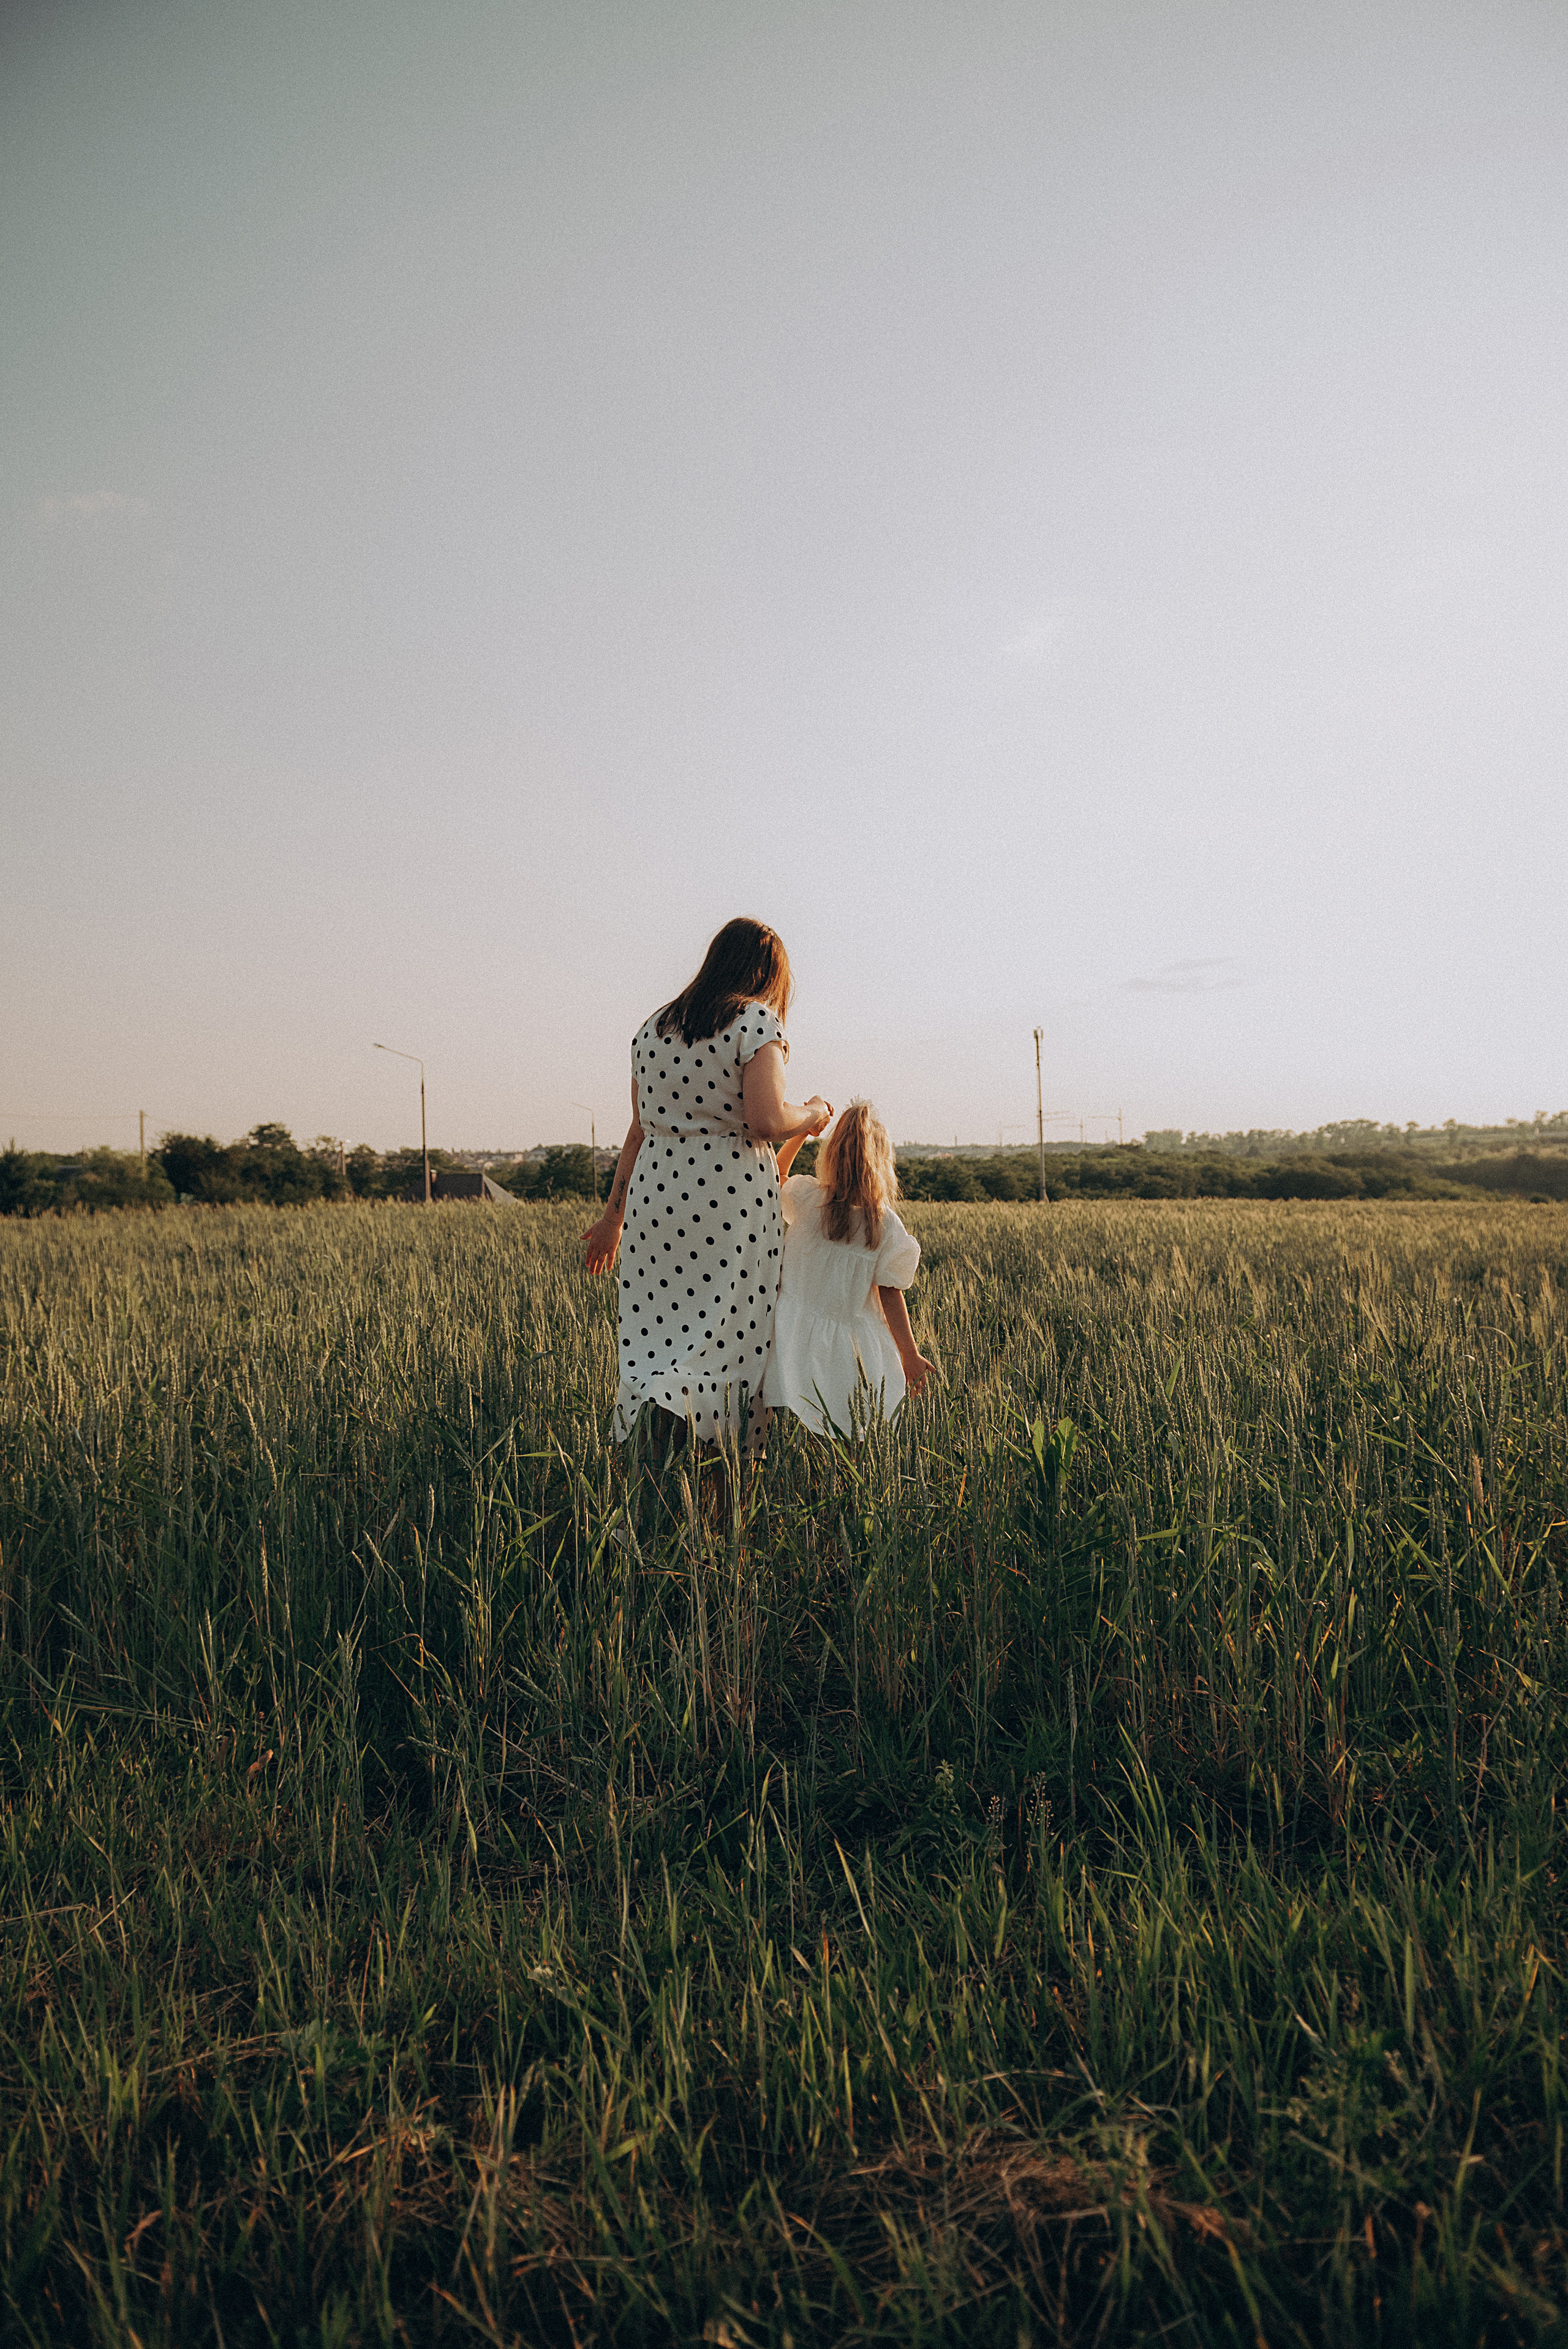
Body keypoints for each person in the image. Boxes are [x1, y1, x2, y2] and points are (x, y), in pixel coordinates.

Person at [581, 918, 832, 1461]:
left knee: (661, 1344)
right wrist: (813, 1112)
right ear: (767, 973)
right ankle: (721, 1484)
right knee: (733, 1344)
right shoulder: (756, 1022)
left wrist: (613, 1219)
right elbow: (766, 1119)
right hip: (728, 1200)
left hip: (656, 1199)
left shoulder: (653, 1028)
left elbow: (638, 1130)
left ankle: (652, 1473)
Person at [762, 1099, 937, 1437]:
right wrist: (910, 1354)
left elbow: (775, 1174)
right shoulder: (884, 1225)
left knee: (797, 1423)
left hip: (790, 1333)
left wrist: (802, 1132)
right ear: (883, 1164)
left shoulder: (809, 1199)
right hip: (849, 1349)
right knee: (845, 1430)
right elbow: (891, 1294)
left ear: (831, 1155)